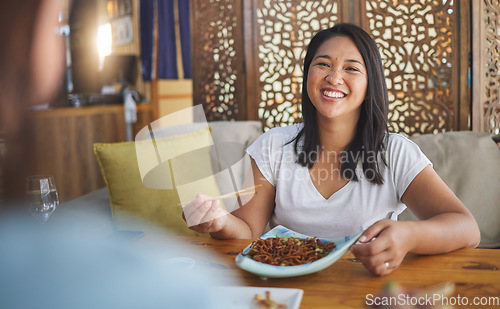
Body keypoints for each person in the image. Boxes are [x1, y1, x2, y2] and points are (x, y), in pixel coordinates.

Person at [182, 23, 480, 276]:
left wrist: (409, 236)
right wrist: (219, 221)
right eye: (323, 64)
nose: (334, 78)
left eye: (351, 68)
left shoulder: (395, 152)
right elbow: (247, 231)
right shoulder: (273, 146)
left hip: (365, 289)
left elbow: (467, 228)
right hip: (286, 289)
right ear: (308, 74)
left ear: (370, 83)